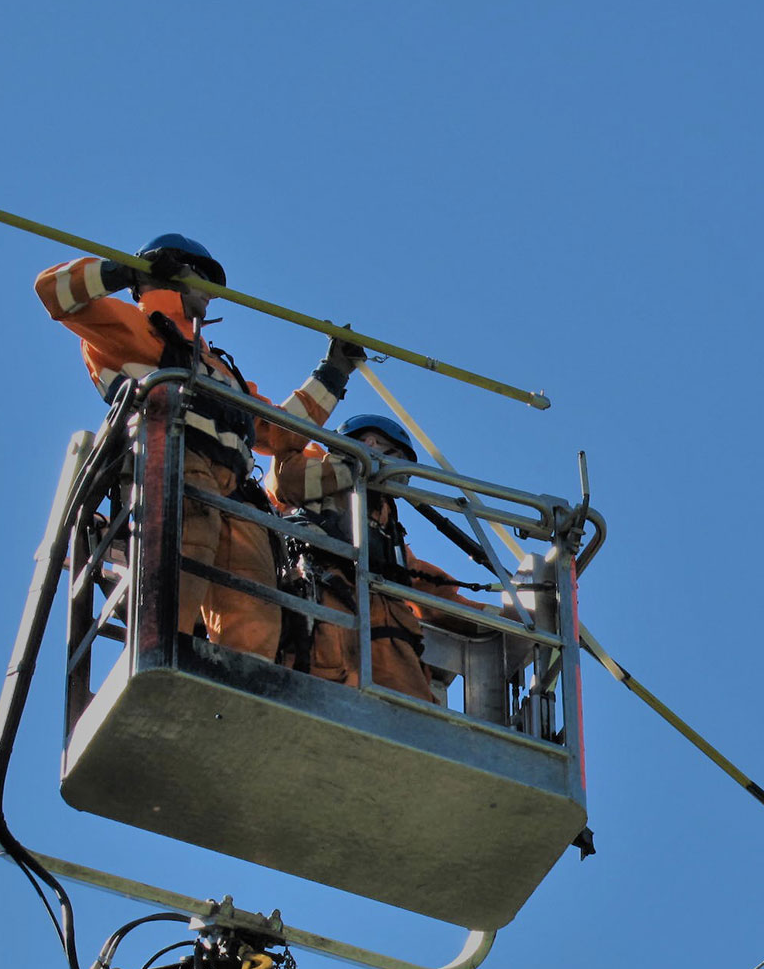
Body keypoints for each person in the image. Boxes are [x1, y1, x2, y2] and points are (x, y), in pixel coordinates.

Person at [36, 234, 364, 660]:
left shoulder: (217, 368)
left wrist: (333, 373)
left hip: (235, 496)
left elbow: (281, 433)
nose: (209, 291)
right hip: (174, 470)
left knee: (255, 608)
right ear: (169, 274)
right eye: (201, 276)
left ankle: (242, 685)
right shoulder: (131, 327)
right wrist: (121, 271)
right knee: (177, 581)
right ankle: (162, 662)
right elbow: (53, 294)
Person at [266, 414, 481, 701]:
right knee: (322, 683)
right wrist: (353, 465)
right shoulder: (315, 472)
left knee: (412, 711)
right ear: (366, 443)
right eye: (391, 456)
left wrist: (507, 619)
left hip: (387, 634)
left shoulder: (386, 530)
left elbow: (435, 594)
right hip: (322, 607)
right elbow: (284, 481)